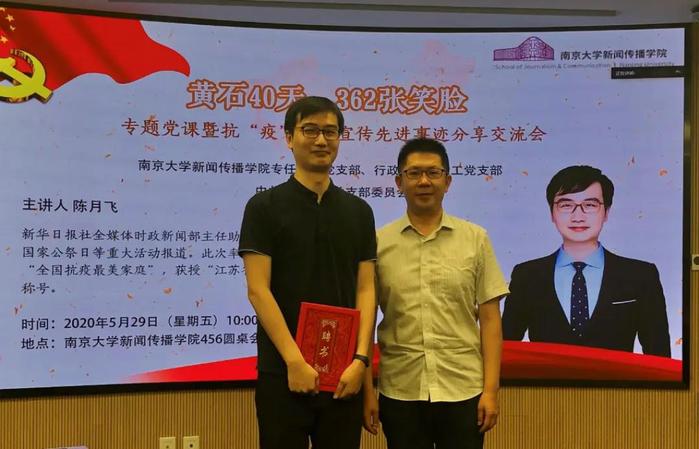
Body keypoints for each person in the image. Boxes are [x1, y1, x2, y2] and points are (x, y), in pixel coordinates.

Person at [239, 96, 377, 449]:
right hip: (282, 372)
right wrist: (294, 361)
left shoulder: (359, 212)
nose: (321, 140)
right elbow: (258, 290)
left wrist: (361, 360)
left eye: (330, 132)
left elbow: (365, 289)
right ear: (289, 138)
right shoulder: (263, 207)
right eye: (310, 130)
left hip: (343, 375)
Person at [364, 138, 509, 449]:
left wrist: (491, 391)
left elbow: (490, 321)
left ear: (448, 181)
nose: (424, 181)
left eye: (433, 172)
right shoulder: (378, 243)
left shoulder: (475, 239)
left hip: (463, 390)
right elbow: (364, 321)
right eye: (414, 173)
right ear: (399, 182)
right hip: (400, 390)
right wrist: (366, 392)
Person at [501, 165, 671, 357]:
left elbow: (659, 357)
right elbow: (505, 350)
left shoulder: (640, 276)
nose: (578, 216)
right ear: (552, 213)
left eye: (589, 205)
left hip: (616, 377)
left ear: (606, 212)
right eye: (566, 205)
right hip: (548, 377)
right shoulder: (527, 276)